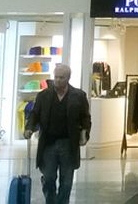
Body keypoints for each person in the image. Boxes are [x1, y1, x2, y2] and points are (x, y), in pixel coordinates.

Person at [23, 63, 91, 204]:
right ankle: (51, 200)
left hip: (68, 143)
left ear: (68, 78)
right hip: (49, 143)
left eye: (61, 77)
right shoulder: (44, 95)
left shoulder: (78, 96)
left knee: (66, 182)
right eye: (56, 77)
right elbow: (34, 114)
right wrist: (29, 127)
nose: (58, 80)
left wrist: (84, 133)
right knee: (48, 178)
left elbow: (85, 117)